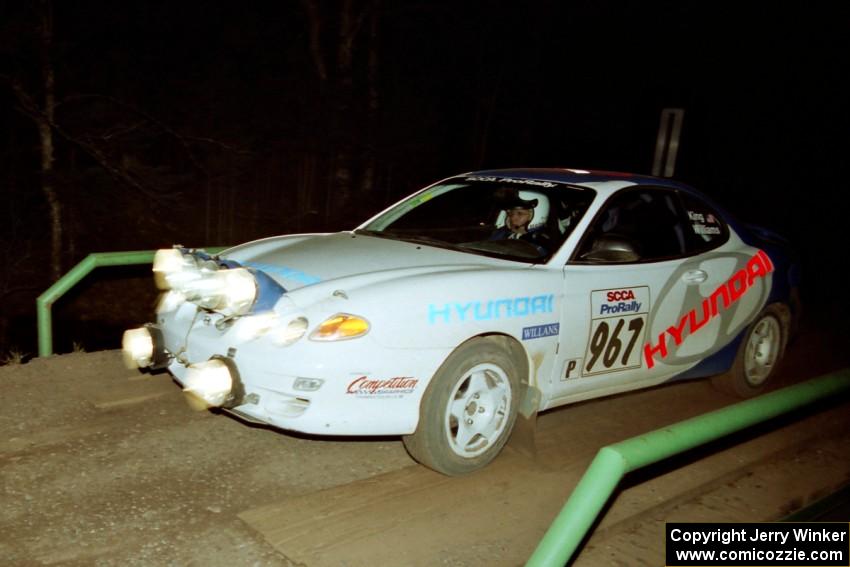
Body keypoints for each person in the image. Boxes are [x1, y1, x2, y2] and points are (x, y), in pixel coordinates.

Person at [489, 189, 551, 254]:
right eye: (510, 213)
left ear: (537, 214)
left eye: (520, 213)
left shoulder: (541, 244)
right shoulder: (500, 233)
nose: (512, 217)